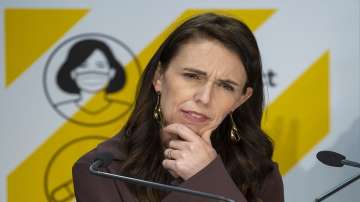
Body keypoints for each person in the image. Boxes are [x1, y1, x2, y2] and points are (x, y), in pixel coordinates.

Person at [72, 13, 284, 202]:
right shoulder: (100, 169)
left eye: (226, 86)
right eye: (192, 76)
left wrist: (209, 177)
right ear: (159, 77)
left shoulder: (260, 173)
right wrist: (205, 182)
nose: (204, 97)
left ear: (241, 99)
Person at [56, 39, 131, 123]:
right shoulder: (60, 109)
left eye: (100, 65)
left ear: (111, 72)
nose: (92, 72)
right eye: (83, 65)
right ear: (72, 72)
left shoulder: (127, 112)